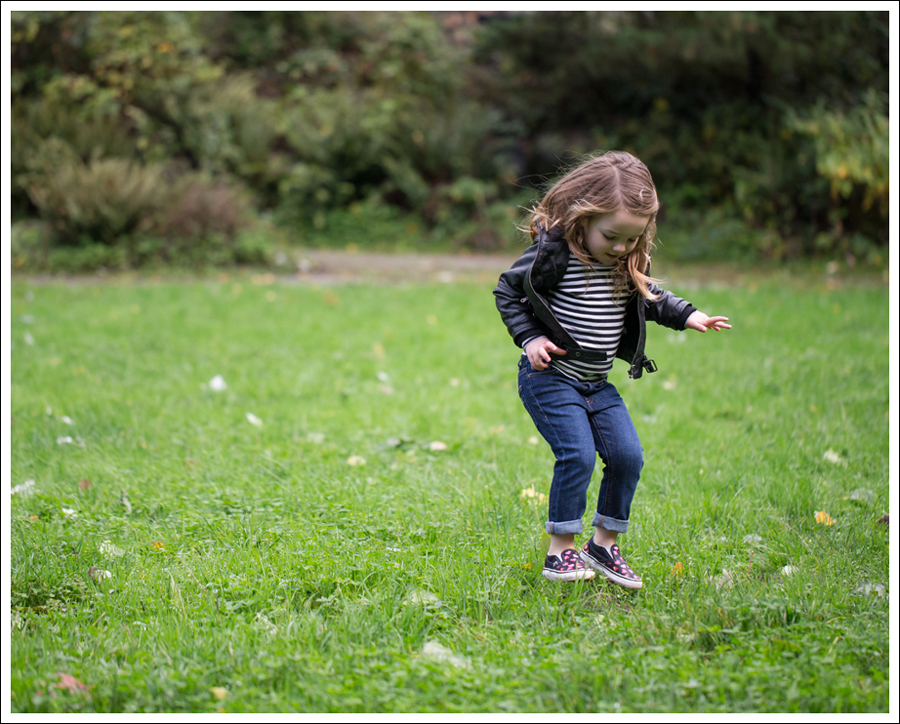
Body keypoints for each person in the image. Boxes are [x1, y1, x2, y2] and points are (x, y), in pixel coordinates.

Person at [494, 150, 731, 587]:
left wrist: (689, 315)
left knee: (627, 456)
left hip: (596, 384)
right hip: (551, 379)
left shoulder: (626, 263)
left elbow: (653, 297)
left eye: (632, 239)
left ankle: (603, 545)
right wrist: (530, 339)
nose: (622, 248)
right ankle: (561, 551)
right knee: (578, 456)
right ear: (582, 218)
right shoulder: (554, 254)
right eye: (612, 236)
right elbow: (507, 291)